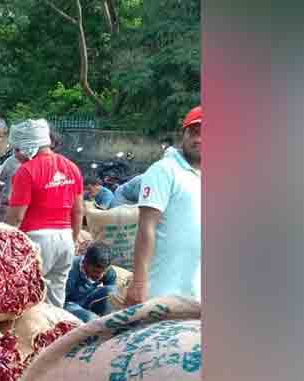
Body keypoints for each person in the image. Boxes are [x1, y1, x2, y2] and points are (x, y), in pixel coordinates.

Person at [4, 118, 84, 308]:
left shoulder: (26, 171)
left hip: (37, 240)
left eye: (17, 149)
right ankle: (55, 325)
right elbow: (78, 211)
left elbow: (16, 217)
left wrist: (4, 243)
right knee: (55, 296)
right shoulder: (71, 167)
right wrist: (73, 240)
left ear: (28, 147)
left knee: (27, 296)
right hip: (65, 239)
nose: (16, 155)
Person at [126, 106, 201, 304]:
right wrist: (139, 282)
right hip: (162, 290)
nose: (199, 139)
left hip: (196, 291)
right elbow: (146, 227)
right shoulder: (164, 170)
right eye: (194, 132)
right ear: (183, 135)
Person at [64, 242, 117, 322]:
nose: (100, 276)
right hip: (70, 303)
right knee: (91, 318)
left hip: (89, 299)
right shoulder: (70, 269)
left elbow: (112, 297)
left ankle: (105, 321)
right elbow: (61, 301)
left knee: (112, 291)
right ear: (85, 262)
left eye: (103, 272)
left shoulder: (109, 271)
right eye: (95, 271)